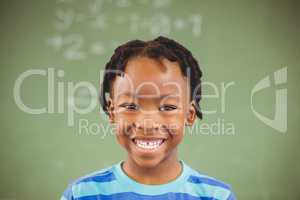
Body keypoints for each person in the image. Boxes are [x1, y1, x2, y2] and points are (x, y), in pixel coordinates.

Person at [61, 36, 236, 200]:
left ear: (190, 115)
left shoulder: (216, 196)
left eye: (168, 107)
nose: (148, 124)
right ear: (112, 112)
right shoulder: (82, 194)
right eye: (130, 106)